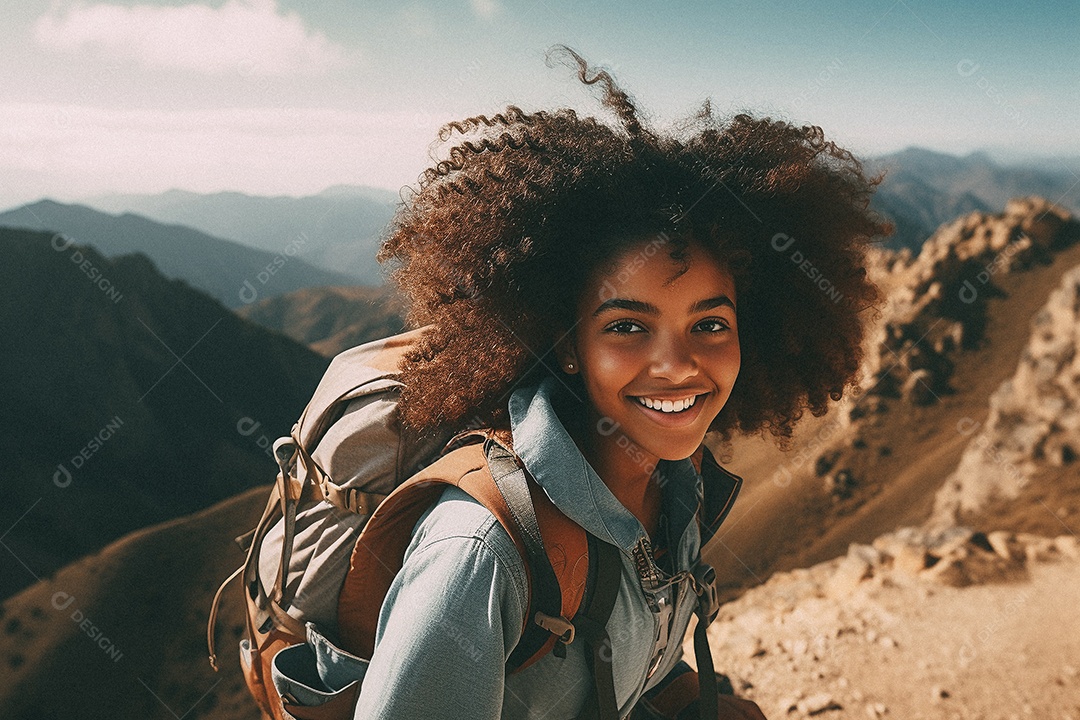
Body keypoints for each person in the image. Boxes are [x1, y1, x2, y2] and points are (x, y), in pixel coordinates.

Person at [335, 47, 886, 719]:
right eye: (628, 327)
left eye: (709, 324)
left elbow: (616, 647)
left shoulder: (670, 488)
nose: (677, 364)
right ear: (569, 345)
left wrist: (687, 700)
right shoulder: (480, 555)